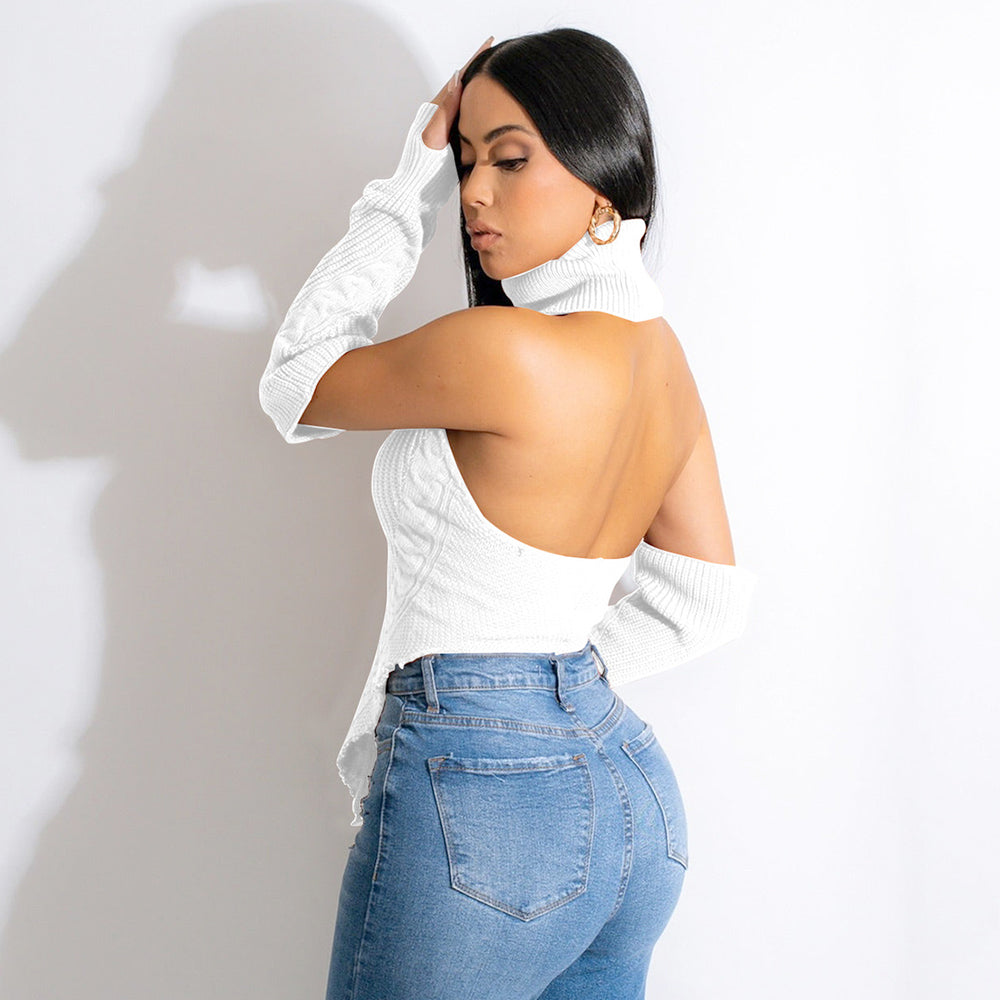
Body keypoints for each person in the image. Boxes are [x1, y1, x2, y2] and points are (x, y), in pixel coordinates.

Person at [258, 27, 759, 1000]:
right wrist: (552, 689)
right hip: (628, 799)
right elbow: (705, 598)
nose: (474, 192)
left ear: (604, 183)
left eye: (511, 158)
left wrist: (407, 182)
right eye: (465, 159)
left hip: (488, 800)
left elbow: (295, 381)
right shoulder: (661, 361)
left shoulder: (502, 351)